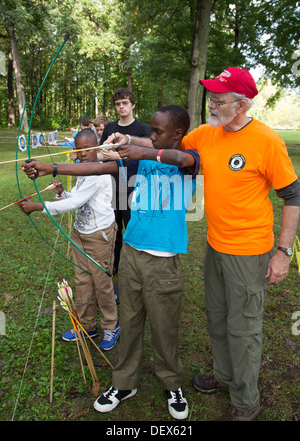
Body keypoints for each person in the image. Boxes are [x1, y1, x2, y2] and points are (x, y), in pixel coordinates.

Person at [104, 67, 300, 421]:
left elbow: (293, 194)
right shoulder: (208, 134)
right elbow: (168, 146)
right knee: (218, 318)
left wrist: (283, 252)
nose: (212, 103)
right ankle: (224, 376)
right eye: (211, 96)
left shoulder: (267, 141)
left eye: (219, 99)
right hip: (215, 244)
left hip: (250, 250)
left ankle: (245, 403)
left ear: (240, 105)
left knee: (244, 327)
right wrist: (128, 143)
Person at [22, 105, 200, 420]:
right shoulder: (136, 163)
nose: (152, 136)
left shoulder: (188, 159)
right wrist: (51, 168)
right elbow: (96, 169)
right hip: (130, 253)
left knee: (164, 327)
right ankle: (124, 382)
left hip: (164, 261)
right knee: (130, 323)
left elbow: (183, 159)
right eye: (152, 131)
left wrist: (141, 149)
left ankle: (172, 384)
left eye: (158, 132)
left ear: (178, 134)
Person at [19, 129, 120, 351]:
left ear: (97, 148)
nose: (82, 154)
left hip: (98, 237)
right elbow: (74, 199)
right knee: (82, 281)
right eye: (78, 149)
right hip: (80, 234)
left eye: (87, 149)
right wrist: (61, 193)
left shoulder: (99, 174)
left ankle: (111, 325)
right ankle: (87, 326)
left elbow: (73, 205)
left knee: (102, 284)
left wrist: (39, 207)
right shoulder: (82, 172)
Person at [99, 88, 151, 274]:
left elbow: (145, 159)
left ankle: (134, 266)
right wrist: (104, 154)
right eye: (117, 104)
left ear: (133, 105)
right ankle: (114, 263)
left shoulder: (143, 129)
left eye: (125, 103)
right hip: (111, 186)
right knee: (113, 228)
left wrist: (118, 157)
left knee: (132, 227)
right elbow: (101, 154)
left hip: (134, 187)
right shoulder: (110, 128)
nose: (121, 107)